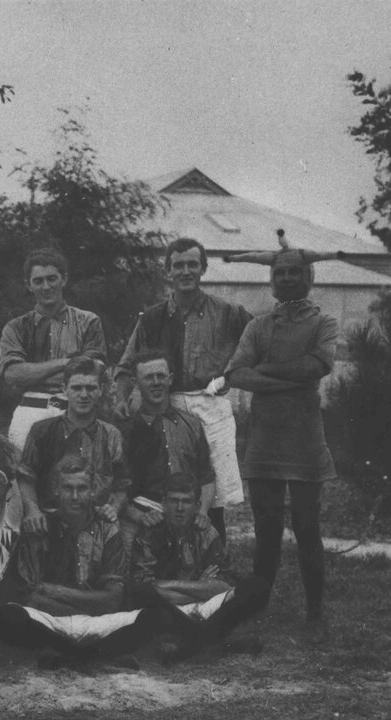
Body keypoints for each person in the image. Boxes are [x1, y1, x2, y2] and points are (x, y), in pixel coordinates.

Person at [225, 233, 339, 644]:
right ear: (271, 280)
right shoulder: (258, 326)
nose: (287, 278)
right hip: (265, 441)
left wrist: (267, 371)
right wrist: (289, 380)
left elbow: (318, 365)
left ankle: (314, 615)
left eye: (294, 272)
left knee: (308, 527)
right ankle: (257, 609)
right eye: (280, 273)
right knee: (266, 528)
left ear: (309, 277)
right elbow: (236, 373)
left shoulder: (324, 323)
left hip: (306, 440)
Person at [115, 238, 252, 541]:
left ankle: (214, 556)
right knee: (167, 485)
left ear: (203, 268)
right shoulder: (153, 317)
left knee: (213, 496)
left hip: (211, 404)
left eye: (192, 264)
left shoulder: (227, 311)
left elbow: (257, 345)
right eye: (178, 265)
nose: (186, 271)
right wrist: (121, 397)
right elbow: (126, 364)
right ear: (169, 270)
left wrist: (233, 375)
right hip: (167, 403)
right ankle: (167, 553)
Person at [0, 456, 155, 669]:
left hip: (96, 622)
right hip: (54, 621)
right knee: (7, 617)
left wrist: (55, 591)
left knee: (149, 618)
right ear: (56, 490)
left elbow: (114, 599)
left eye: (82, 488)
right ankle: (91, 653)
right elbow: (31, 597)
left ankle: (63, 652)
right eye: (68, 488)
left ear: (93, 491)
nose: (75, 497)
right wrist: (92, 603)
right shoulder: (40, 528)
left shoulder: (108, 530)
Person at [131, 473, 271, 663]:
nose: (180, 508)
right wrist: (201, 587)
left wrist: (169, 585)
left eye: (186, 502)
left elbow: (225, 585)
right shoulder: (150, 533)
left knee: (257, 586)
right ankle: (208, 642)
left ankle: (191, 643)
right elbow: (143, 586)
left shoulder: (206, 532)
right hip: (167, 610)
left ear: (197, 506)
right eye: (174, 501)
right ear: (163, 503)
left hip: (203, 607)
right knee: (143, 595)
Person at [0, 247, 107, 449]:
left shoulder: (88, 321)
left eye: (52, 279)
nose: (46, 286)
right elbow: (13, 374)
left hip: (75, 410)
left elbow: (92, 370)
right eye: (38, 281)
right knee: (22, 467)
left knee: (78, 467)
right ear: (28, 285)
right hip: (29, 413)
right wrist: (66, 363)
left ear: (64, 279)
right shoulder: (16, 327)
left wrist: (32, 374)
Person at [118, 351, 215, 556]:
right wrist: (138, 516)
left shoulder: (192, 424)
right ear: (136, 382)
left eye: (161, 376)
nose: (156, 382)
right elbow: (117, 487)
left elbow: (207, 478)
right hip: (141, 514)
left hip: (183, 513)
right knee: (130, 570)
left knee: (208, 566)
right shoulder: (125, 430)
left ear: (170, 379)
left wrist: (202, 512)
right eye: (148, 377)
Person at [19, 356, 129, 534]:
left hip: (97, 524)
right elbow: (26, 479)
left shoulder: (112, 435)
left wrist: (114, 508)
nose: (84, 395)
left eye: (90, 388)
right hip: (50, 522)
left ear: (101, 390)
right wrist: (32, 510)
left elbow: (122, 486)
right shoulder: (42, 431)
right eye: (77, 388)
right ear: (65, 389)